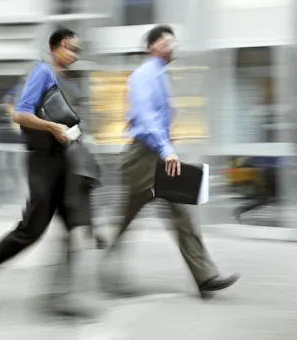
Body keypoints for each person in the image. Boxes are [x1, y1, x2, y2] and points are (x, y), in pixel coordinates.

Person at [0, 28, 96, 317]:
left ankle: (60, 299)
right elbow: (19, 113)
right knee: (32, 229)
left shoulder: (68, 83)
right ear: (59, 46)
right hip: (43, 162)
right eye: (73, 49)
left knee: (76, 226)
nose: (75, 55)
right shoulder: (41, 72)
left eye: (78, 51)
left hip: (64, 161)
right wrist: (52, 128)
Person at [100, 25, 239, 298]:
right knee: (125, 220)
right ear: (151, 46)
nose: (171, 47)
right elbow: (146, 118)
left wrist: (167, 148)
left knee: (182, 216)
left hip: (158, 157)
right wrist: (167, 149)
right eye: (165, 42)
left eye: (172, 42)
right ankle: (105, 269)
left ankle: (205, 277)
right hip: (143, 158)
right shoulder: (143, 75)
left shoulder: (160, 75)